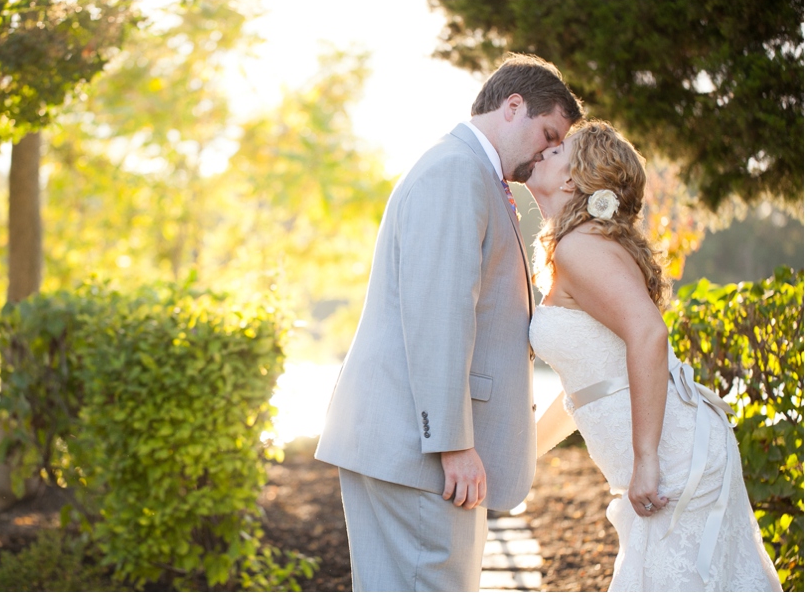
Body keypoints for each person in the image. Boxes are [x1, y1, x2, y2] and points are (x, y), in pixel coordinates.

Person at [314, 52, 583, 592]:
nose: (547, 154)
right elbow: (439, 315)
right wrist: (453, 446)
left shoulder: (467, 171)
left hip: (405, 446)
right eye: (548, 134)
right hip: (418, 453)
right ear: (513, 106)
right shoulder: (457, 173)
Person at [527, 120, 783, 591]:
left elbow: (649, 335)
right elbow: (590, 389)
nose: (544, 149)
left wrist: (646, 459)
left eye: (558, 148)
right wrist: (522, 456)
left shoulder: (580, 247)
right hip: (674, 458)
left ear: (572, 178)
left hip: (674, 463)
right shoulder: (581, 247)